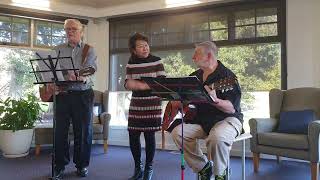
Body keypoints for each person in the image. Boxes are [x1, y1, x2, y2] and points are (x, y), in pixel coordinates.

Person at [170, 41, 243, 180]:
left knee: (217, 137)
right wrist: (178, 101)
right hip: (203, 120)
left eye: (196, 54)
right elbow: (185, 100)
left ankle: (221, 174)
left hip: (227, 119)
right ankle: (203, 167)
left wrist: (216, 101)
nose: (193, 57)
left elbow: (231, 108)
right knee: (178, 132)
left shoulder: (227, 77)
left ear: (208, 56)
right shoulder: (194, 76)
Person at [52, 19, 97, 179]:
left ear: (81, 31)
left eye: (73, 29)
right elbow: (52, 71)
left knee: (83, 132)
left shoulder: (88, 50)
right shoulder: (57, 50)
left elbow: (91, 69)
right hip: (63, 94)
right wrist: (65, 75)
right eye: (67, 29)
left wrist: (80, 75)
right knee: (60, 132)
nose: (69, 32)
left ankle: (82, 165)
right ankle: (59, 165)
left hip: (83, 95)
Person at [124, 33, 166, 180]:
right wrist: (146, 84)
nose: (145, 48)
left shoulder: (156, 61)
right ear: (134, 50)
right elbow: (127, 83)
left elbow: (161, 84)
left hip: (153, 103)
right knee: (133, 135)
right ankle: (138, 167)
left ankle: (149, 168)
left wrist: (139, 85)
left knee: (149, 136)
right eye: (141, 46)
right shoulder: (131, 62)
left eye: (146, 45)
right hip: (136, 104)